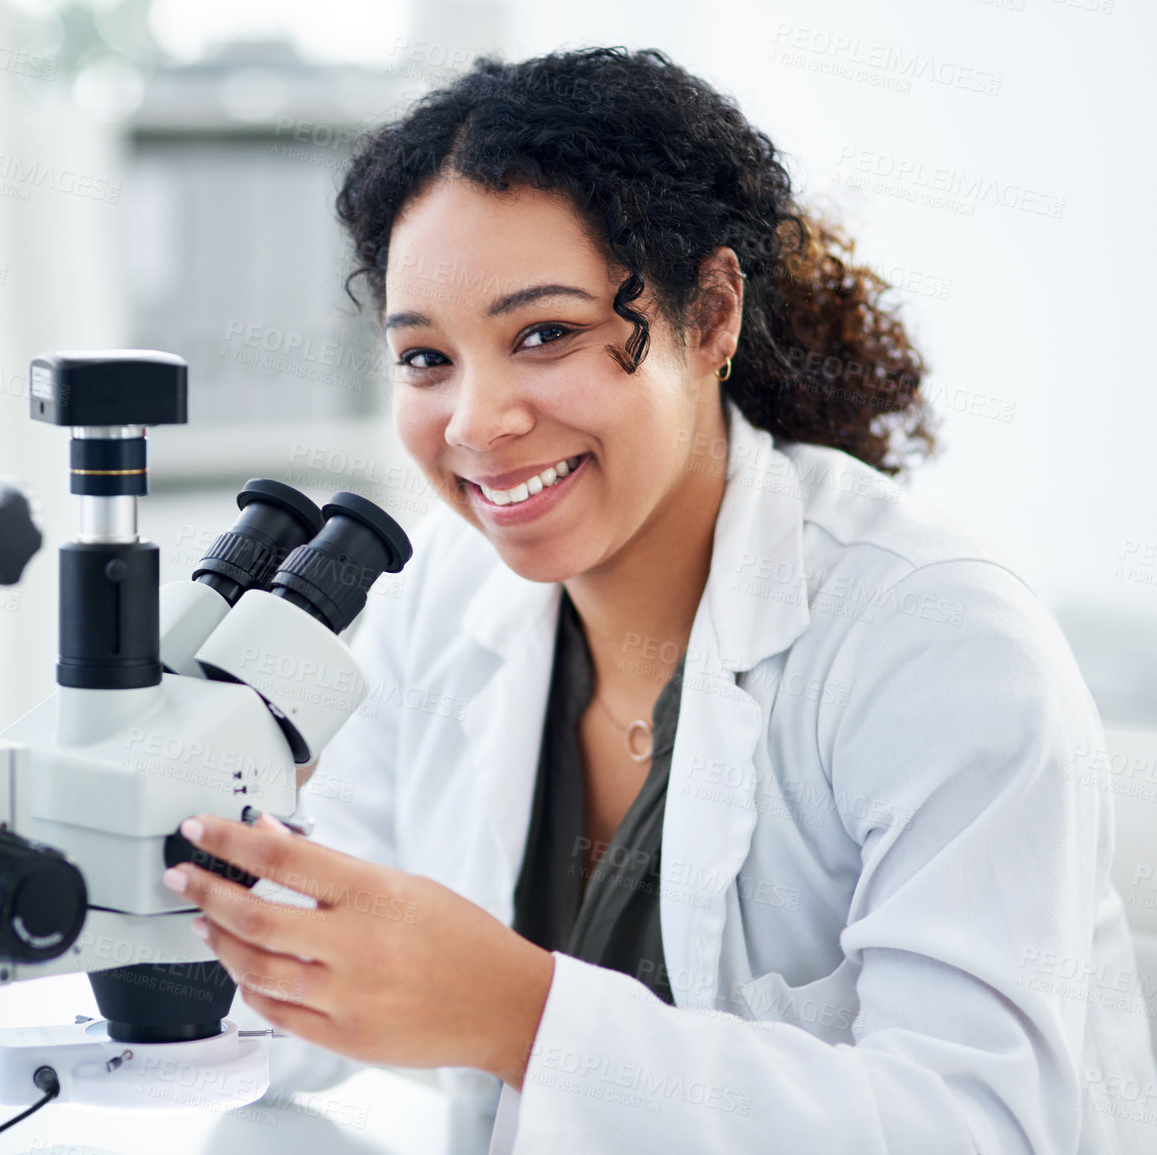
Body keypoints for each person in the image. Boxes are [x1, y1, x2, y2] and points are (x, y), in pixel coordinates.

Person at [161, 48, 1157, 1152]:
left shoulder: (935, 638)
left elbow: (984, 1127)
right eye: (428, 359)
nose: (477, 423)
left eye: (544, 334)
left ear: (714, 313)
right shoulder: (440, 599)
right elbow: (306, 1002)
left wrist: (524, 1018)